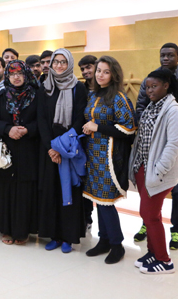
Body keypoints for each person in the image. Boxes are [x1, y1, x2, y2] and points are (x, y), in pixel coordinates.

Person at [134, 43, 178, 250]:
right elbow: (140, 107)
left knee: (177, 189)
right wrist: (151, 126)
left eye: (170, 55)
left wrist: (167, 127)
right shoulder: (150, 80)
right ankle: (148, 223)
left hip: (175, 145)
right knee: (148, 187)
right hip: (149, 145)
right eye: (163, 55)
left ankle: (177, 231)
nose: (166, 58)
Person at [129, 68, 178, 274]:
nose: (150, 91)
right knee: (151, 214)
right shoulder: (151, 107)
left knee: (149, 215)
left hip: (159, 173)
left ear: (166, 86)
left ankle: (164, 260)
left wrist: (159, 170)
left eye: (154, 86)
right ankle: (153, 252)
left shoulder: (173, 111)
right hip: (144, 168)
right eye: (147, 87)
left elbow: (174, 145)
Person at [83, 56, 137, 264]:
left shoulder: (118, 97)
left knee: (106, 201)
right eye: (98, 70)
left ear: (114, 74)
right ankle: (104, 240)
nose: (100, 75)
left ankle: (117, 244)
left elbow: (128, 128)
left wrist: (97, 127)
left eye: (106, 71)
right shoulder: (93, 94)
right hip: (93, 155)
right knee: (98, 200)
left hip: (109, 157)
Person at [37, 49, 88, 254]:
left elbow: (80, 118)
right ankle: (54, 235)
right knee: (51, 192)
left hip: (68, 148)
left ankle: (68, 237)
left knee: (70, 192)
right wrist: (51, 147)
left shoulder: (78, 88)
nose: (58, 65)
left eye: (63, 62)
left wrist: (60, 146)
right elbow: (41, 119)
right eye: (55, 62)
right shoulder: (45, 87)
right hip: (49, 149)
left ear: (70, 64)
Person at [0, 60, 39, 245]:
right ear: (7, 76)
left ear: (26, 75)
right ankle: (6, 229)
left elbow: (42, 121)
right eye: (12, 74)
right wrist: (8, 129)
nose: (16, 77)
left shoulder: (36, 95)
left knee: (25, 191)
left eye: (20, 74)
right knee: (5, 190)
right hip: (6, 148)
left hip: (28, 149)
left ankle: (22, 231)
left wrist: (27, 130)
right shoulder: (0, 95)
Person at [78, 54, 98, 229]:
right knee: (83, 181)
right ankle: (86, 218)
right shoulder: (80, 89)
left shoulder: (107, 89)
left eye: (88, 67)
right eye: (82, 69)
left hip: (102, 143)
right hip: (83, 142)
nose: (85, 71)